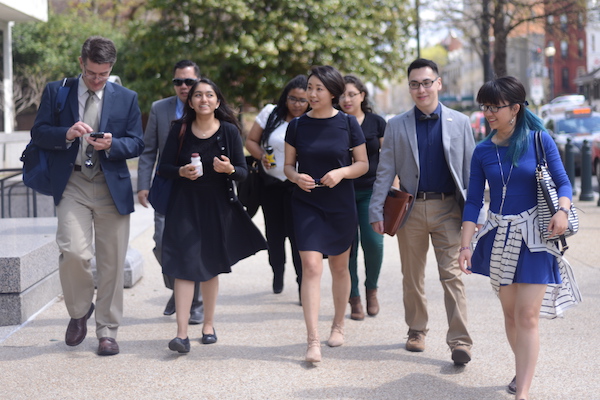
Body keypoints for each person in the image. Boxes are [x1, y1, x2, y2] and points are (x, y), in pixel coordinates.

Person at [458, 76, 581, 399]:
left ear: (514, 108)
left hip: (536, 237)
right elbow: (473, 202)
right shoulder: (483, 151)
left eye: (494, 107)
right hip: (499, 236)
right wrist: (465, 245)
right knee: (511, 314)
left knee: (527, 315)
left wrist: (562, 211)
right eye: (484, 107)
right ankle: (521, 367)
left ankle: (522, 392)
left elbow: (564, 183)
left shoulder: (540, 141)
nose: (488, 113)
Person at [30, 36, 144, 356]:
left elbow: (136, 142)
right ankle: (80, 311)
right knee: (74, 251)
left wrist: (113, 144)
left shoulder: (127, 97)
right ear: (82, 63)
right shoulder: (58, 90)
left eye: (104, 74)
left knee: (111, 262)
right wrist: (65, 134)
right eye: (92, 73)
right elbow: (38, 133)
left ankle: (107, 330)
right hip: (73, 183)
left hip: (112, 186)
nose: (97, 80)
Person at [369, 58, 480, 365]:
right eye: (415, 84)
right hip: (411, 209)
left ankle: (460, 341)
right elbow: (385, 170)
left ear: (438, 84)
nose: (421, 89)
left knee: (452, 275)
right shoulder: (396, 125)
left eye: (427, 82)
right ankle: (416, 330)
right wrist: (376, 208)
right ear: (410, 88)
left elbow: (472, 173)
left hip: (449, 209)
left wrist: (478, 216)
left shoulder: (460, 122)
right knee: (412, 276)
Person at [159, 78, 267, 354]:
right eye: (198, 95)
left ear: (217, 102)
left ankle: (208, 324)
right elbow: (164, 168)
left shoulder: (229, 131)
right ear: (190, 101)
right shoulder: (180, 129)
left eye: (209, 95)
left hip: (217, 204)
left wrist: (229, 169)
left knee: (209, 265)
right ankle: (181, 334)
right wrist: (181, 171)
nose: (203, 99)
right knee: (184, 266)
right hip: (184, 205)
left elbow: (243, 172)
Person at [284, 65, 368, 363]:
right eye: (310, 87)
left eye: (319, 88)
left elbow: (362, 164)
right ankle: (312, 340)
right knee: (310, 267)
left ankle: (338, 325)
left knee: (340, 268)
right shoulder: (296, 125)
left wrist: (342, 172)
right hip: (306, 202)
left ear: (332, 92)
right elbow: (288, 166)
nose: (312, 93)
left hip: (340, 203)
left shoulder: (348, 124)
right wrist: (296, 178)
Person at [137, 60, 204, 323]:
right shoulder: (159, 108)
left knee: (193, 246)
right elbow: (148, 149)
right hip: (167, 187)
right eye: (178, 82)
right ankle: (178, 290)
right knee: (162, 242)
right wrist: (143, 185)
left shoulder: (207, 104)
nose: (184, 86)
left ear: (197, 80)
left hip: (198, 190)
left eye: (189, 81)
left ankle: (195, 303)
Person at [245, 75, 309, 297]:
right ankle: (277, 273)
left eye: (303, 100)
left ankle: (303, 283)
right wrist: (261, 155)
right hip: (270, 183)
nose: (297, 104)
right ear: (285, 97)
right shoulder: (271, 113)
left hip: (299, 186)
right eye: (293, 98)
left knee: (298, 236)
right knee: (274, 234)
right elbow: (251, 141)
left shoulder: (312, 118)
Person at [339, 75, 387, 320]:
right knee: (348, 249)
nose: (346, 99)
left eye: (351, 94)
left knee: (374, 243)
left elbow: (389, 158)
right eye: (342, 95)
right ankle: (354, 297)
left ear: (362, 95)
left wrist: (392, 187)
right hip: (341, 193)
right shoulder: (335, 122)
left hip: (371, 192)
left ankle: (372, 290)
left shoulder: (376, 122)